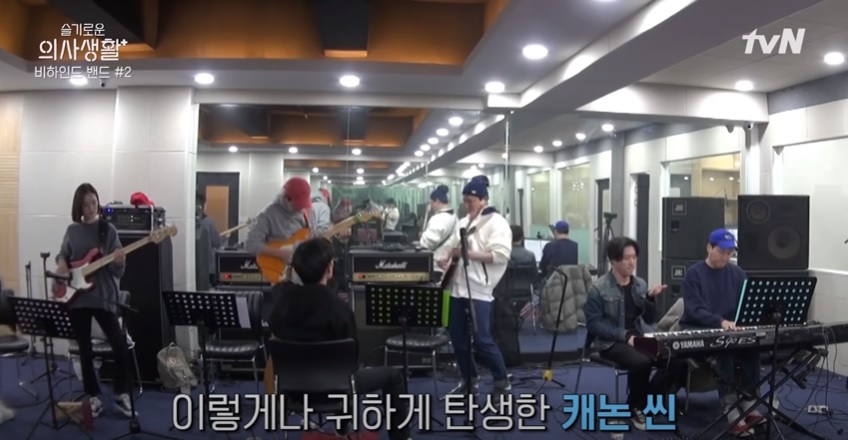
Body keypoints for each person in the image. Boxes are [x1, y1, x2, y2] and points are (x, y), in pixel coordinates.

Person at [267, 238, 412, 440]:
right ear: (329, 269)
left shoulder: (280, 304)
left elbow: (276, 317)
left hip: (291, 387)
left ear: (296, 269)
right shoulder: (340, 309)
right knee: (393, 376)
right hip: (337, 388)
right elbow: (352, 361)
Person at [583, 236, 686, 430]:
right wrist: (625, 336)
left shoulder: (640, 284)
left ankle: (646, 400)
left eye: (634, 257)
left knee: (677, 357)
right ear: (613, 260)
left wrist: (650, 299)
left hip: (640, 335)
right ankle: (636, 406)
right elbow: (594, 325)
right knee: (642, 361)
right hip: (611, 341)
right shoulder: (598, 288)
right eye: (626, 258)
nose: (632, 262)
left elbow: (649, 319)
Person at [55, 183, 134, 418]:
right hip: (78, 298)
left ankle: (121, 393)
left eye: (93, 203)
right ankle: (94, 396)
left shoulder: (107, 231)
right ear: (78, 207)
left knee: (120, 345)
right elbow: (63, 254)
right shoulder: (72, 231)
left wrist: (119, 261)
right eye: (85, 204)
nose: (90, 208)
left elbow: (118, 271)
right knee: (85, 351)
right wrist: (62, 263)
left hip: (103, 298)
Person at [679, 229, 763, 436]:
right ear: (709, 248)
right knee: (723, 348)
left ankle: (749, 399)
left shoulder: (737, 273)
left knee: (753, 347)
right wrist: (720, 322)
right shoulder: (694, 274)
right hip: (701, 327)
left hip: (729, 327)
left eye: (729, 253)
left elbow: (746, 301)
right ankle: (730, 406)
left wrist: (742, 322)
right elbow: (694, 310)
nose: (725, 257)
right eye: (721, 252)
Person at [437, 175, 512, 401]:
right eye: (465, 201)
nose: (467, 205)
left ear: (483, 199)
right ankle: (469, 379)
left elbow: (500, 256)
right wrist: (446, 258)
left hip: (479, 290)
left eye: (471, 201)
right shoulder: (463, 223)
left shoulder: (496, 223)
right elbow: (451, 247)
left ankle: (502, 381)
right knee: (457, 338)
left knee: (482, 340)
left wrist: (466, 254)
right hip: (457, 288)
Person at [245, 177, 331, 269]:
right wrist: (280, 253)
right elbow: (251, 244)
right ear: (286, 198)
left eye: (303, 204)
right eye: (298, 204)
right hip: (276, 269)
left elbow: (310, 235)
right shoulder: (268, 215)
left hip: (301, 269)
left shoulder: (306, 212)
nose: (300, 208)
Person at [418, 185, 458, 275]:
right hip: (447, 261)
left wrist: (422, 238)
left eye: (431, 203)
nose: (431, 206)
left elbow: (427, 243)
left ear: (437, 201)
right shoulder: (454, 217)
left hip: (436, 264)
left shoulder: (438, 219)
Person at [196, 192, 222, 286]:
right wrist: (224, 238)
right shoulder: (208, 222)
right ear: (204, 205)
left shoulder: (188, 223)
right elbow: (217, 242)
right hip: (209, 267)